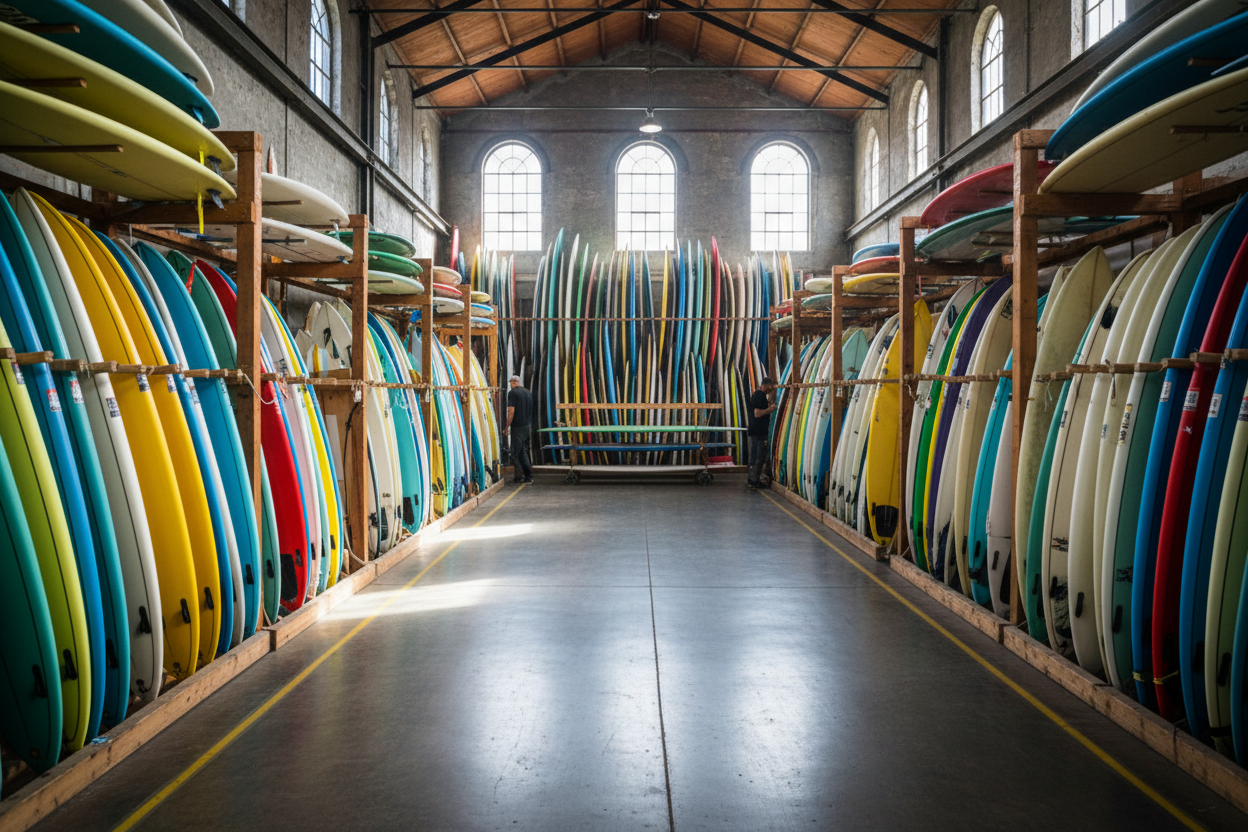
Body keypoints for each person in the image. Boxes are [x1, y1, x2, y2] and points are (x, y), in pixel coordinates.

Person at [747, 377, 777, 489]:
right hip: (758, 433)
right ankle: (754, 481)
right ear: (767, 385)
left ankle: (752, 479)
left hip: (756, 432)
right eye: (771, 386)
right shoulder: (759, 395)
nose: (772, 389)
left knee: (755, 457)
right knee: (758, 457)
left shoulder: (758, 395)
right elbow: (757, 413)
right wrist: (771, 409)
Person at [505, 375, 534, 484]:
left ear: (512, 382)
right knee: (522, 451)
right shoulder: (528, 392)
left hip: (517, 427)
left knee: (515, 453)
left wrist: (506, 426)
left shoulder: (512, 393)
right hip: (527, 426)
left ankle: (519, 476)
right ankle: (528, 476)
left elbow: (511, 411)